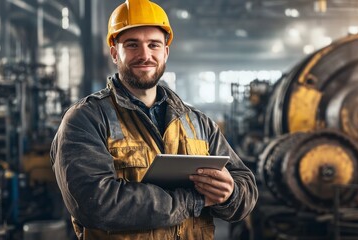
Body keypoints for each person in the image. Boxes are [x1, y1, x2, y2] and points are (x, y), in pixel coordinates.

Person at [50, 0, 258, 239]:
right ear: (114, 53)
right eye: (132, 45)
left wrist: (230, 193)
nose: (145, 55)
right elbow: (96, 203)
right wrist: (193, 200)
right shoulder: (86, 119)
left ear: (165, 52)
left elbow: (245, 187)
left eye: (154, 45)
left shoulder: (198, 123)